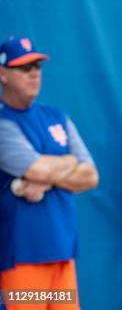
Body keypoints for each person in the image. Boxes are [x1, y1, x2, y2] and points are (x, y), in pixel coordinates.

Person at [0, 37, 98, 309]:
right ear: (3, 74)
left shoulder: (57, 116)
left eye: (37, 66)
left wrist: (43, 179)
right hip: (21, 256)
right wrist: (67, 162)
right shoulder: (3, 121)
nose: (33, 73)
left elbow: (90, 176)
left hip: (63, 251)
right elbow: (36, 169)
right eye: (24, 67)